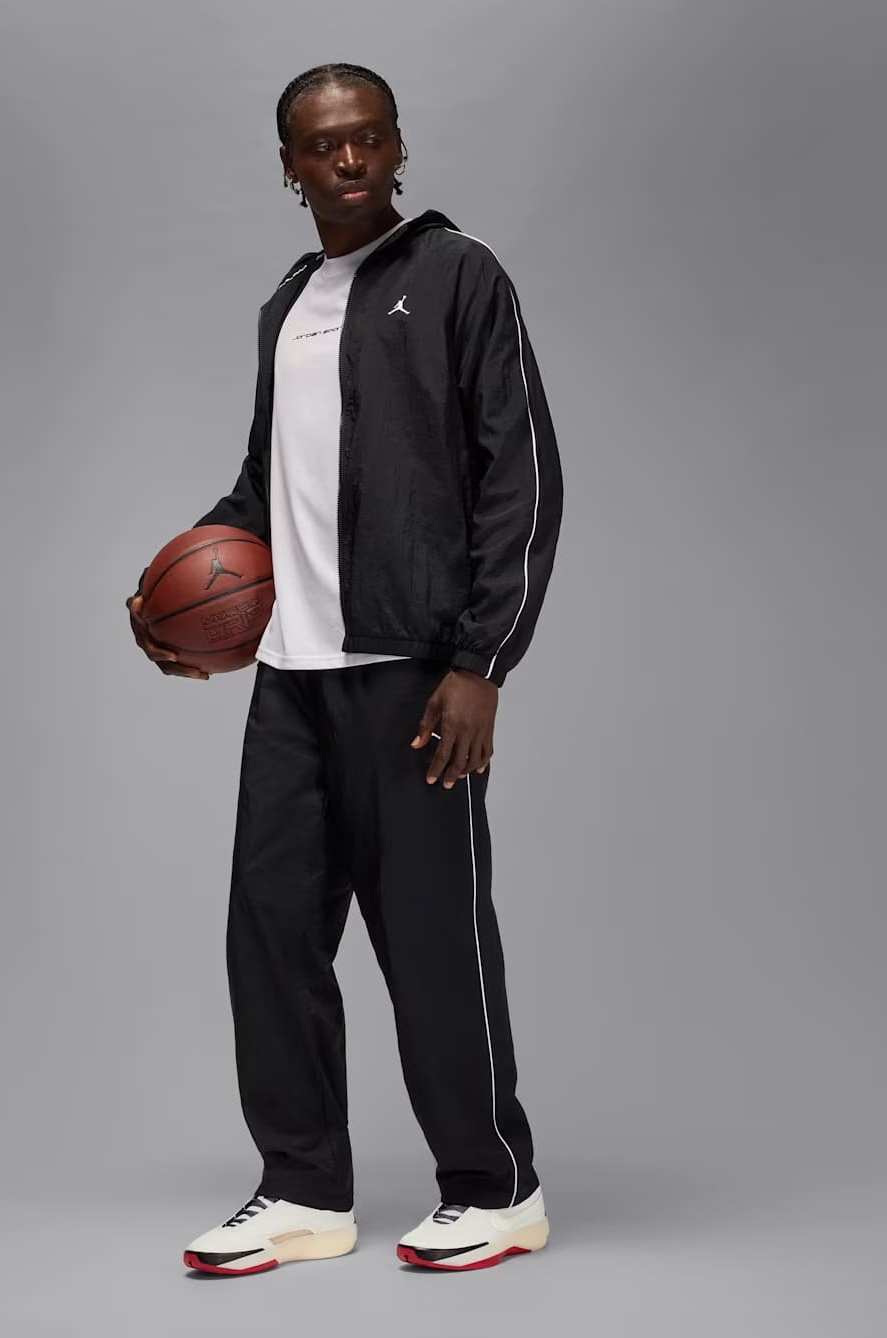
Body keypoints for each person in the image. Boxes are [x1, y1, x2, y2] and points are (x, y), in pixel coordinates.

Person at [127, 62, 563, 1274]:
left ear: (398, 145)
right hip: (292, 676)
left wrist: (481, 661)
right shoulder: (288, 303)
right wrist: (171, 600)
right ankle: (304, 1189)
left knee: (430, 940)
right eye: (323, 146)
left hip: (413, 675)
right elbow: (261, 487)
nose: (350, 160)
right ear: (289, 167)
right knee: (268, 935)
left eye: (369, 137)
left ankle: (495, 1187)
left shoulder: (459, 273)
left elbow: (522, 477)